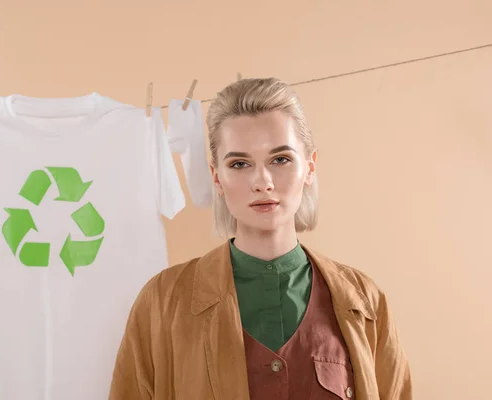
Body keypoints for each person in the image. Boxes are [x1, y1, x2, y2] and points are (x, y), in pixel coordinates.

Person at [109, 78, 412, 399]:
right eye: (240, 164)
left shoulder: (364, 301)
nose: (262, 181)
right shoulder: (163, 301)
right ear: (217, 178)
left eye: (280, 159)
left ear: (309, 168)